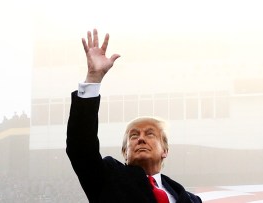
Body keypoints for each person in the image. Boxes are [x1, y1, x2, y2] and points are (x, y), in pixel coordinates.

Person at [66, 29, 202, 203]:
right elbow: (81, 148)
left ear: (165, 151)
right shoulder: (109, 177)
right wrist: (93, 78)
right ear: (125, 152)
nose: (141, 139)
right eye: (134, 135)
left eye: (150, 134)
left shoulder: (190, 199)